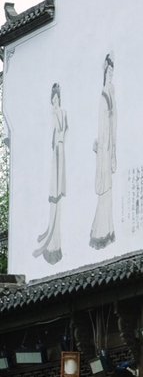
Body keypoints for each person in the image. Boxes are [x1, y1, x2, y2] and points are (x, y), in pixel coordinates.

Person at [34, 82, 68, 264]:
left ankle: (56, 243)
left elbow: (63, 131)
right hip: (56, 154)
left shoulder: (62, 113)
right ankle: (51, 241)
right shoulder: (53, 114)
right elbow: (53, 136)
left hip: (60, 153)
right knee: (54, 197)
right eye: (53, 99)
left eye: (57, 98)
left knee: (58, 197)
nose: (55, 101)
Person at [89, 53, 117, 249]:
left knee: (108, 190)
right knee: (105, 190)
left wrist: (112, 149)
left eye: (112, 72)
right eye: (108, 71)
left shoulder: (110, 92)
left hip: (108, 146)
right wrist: (102, 148)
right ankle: (101, 230)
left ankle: (106, 228)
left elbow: (112, 122)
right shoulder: (104, 95)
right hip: (104, 147)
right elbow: (103, 126)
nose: (111, 75)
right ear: (104, 72)